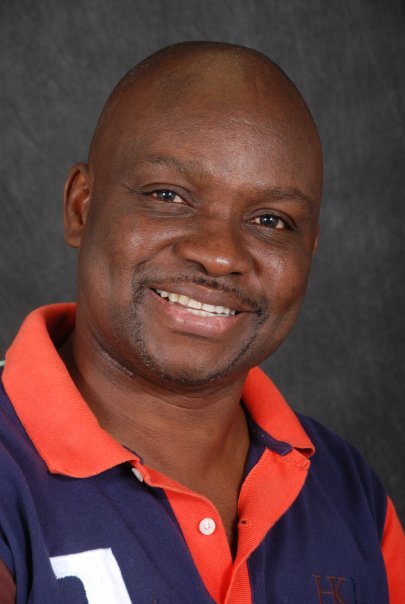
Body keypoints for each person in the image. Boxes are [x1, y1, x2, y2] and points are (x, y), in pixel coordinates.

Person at [0, 41, 403, 604]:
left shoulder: (350, 492)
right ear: (81, 207)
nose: (219, 255)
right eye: (169, 195)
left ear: (309, 251)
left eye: (271, 220)